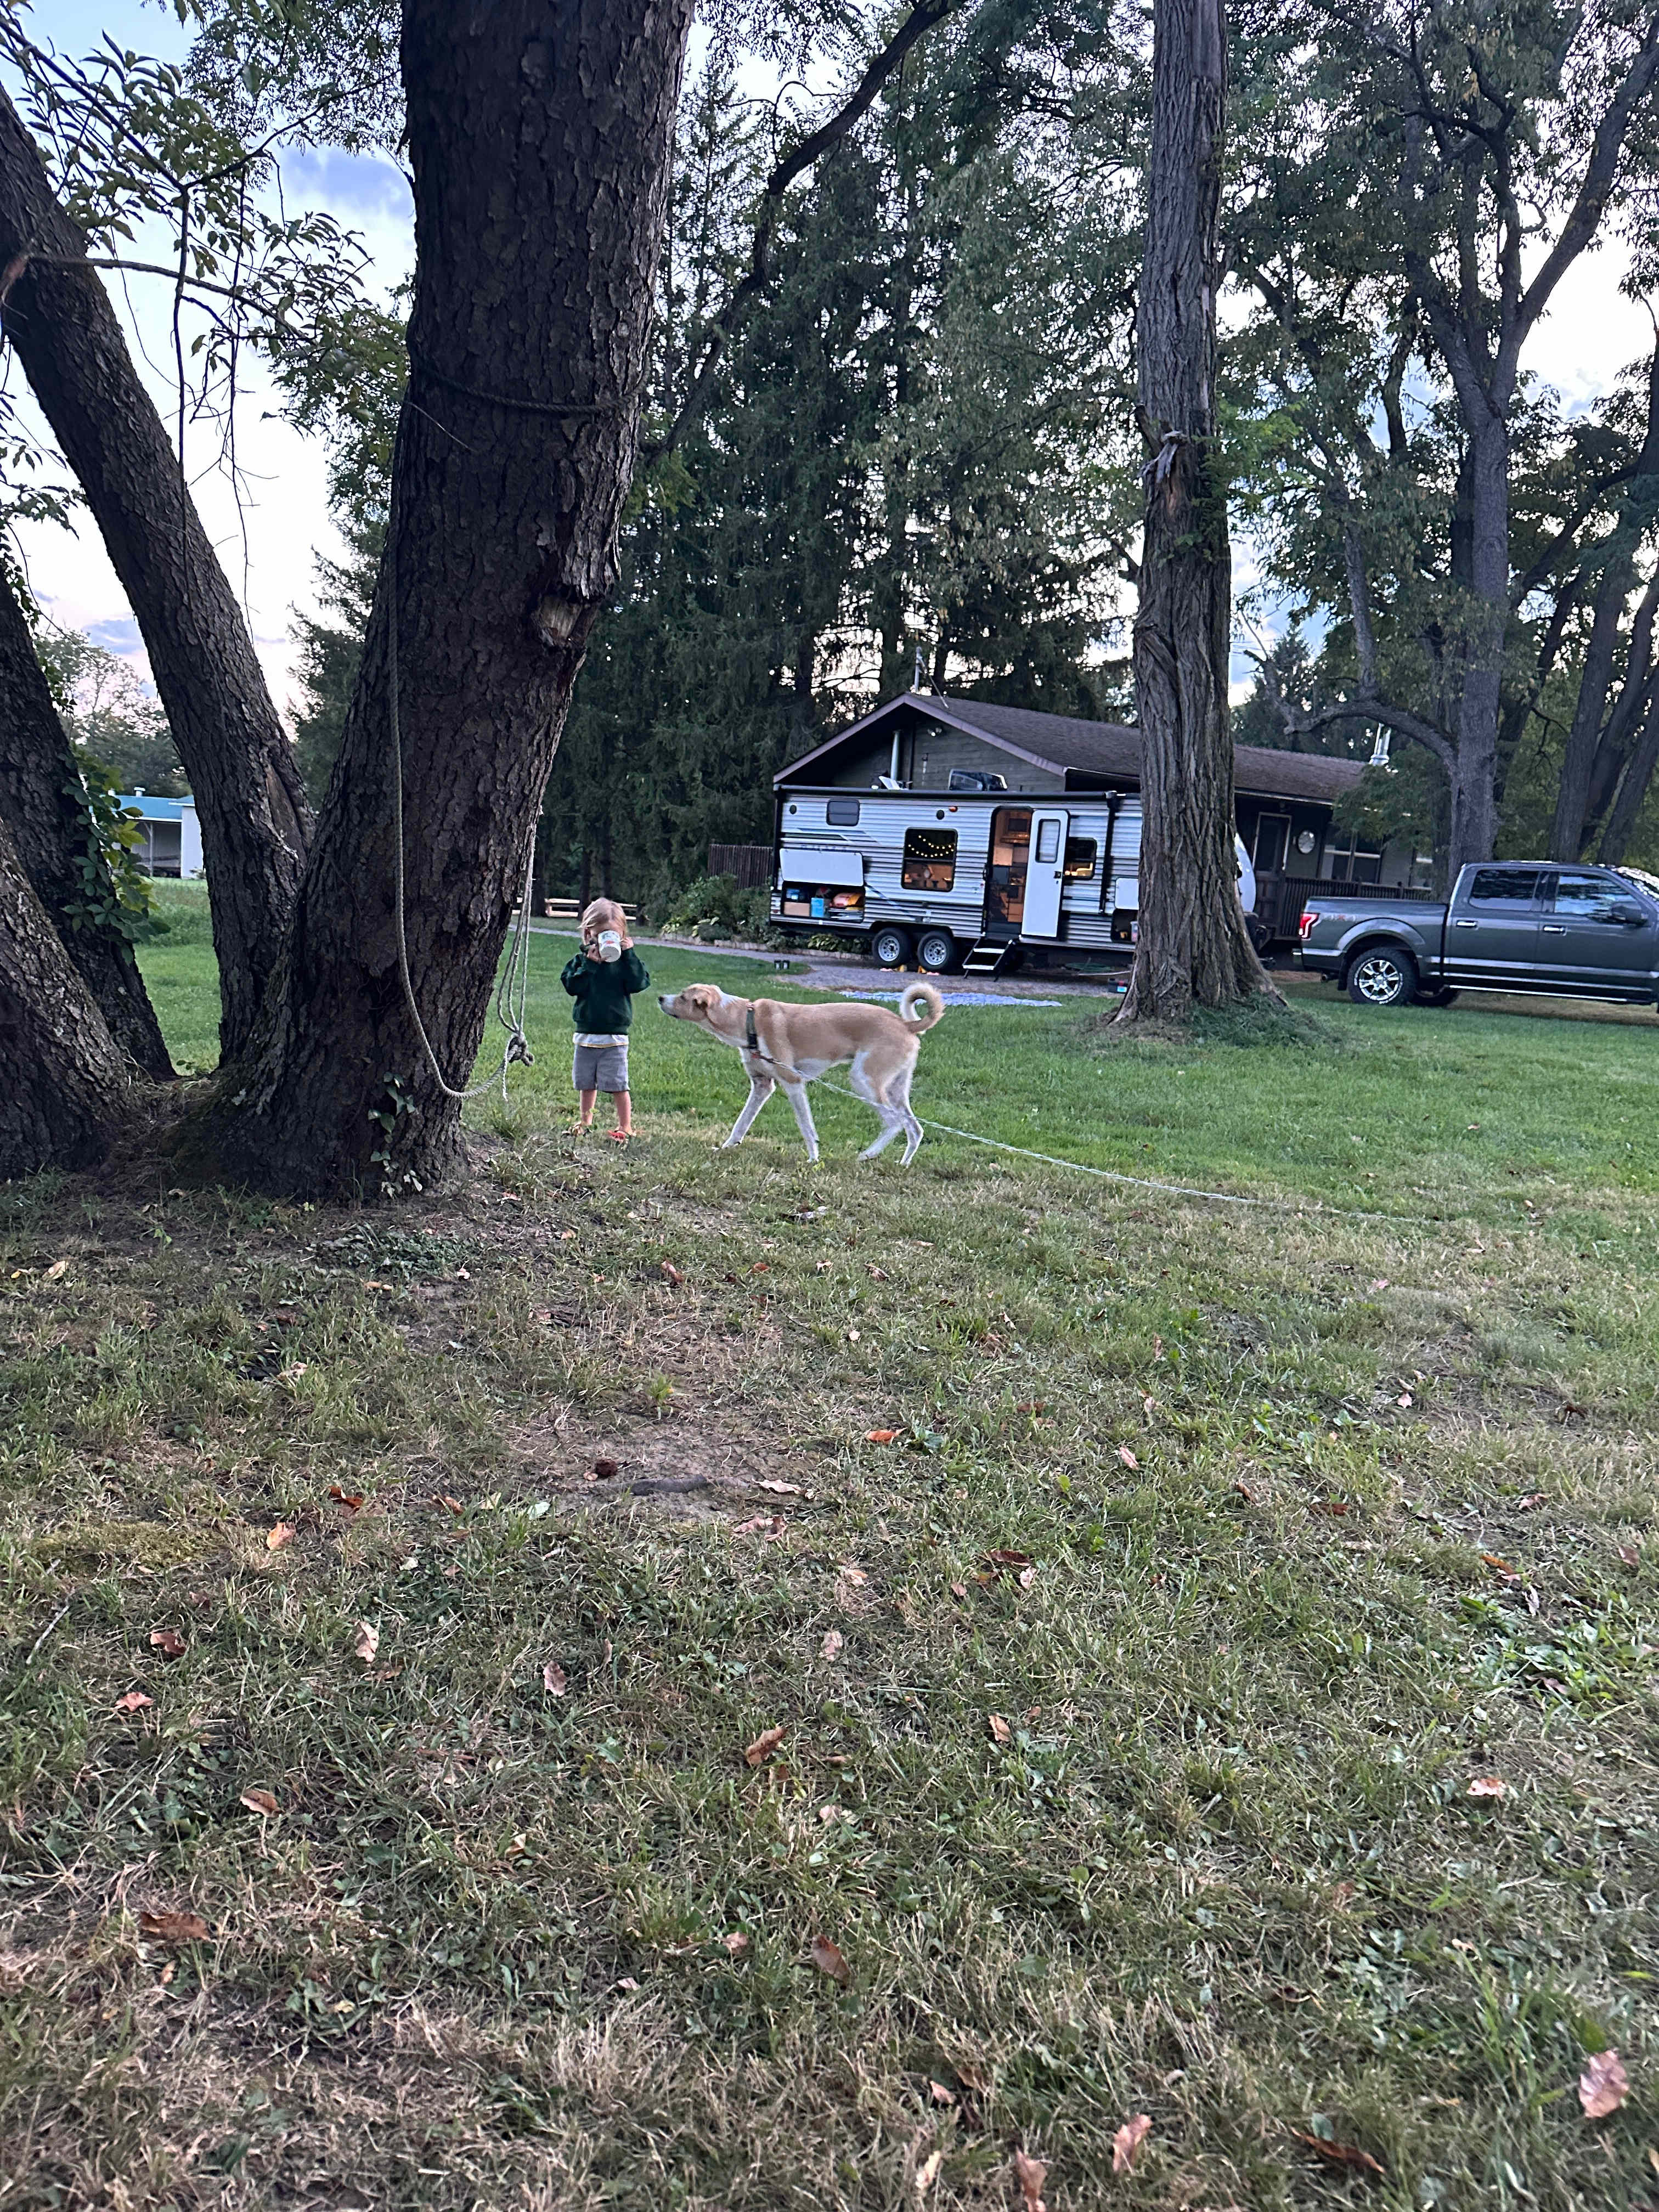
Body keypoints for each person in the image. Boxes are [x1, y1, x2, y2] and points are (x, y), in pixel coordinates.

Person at [561, 898, 650, 1141]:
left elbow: (639, 983)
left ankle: (625, 1126)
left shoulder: (624, 963)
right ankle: (586, 1121)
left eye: (613, 934)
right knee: (586, 1083)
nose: (606, 939)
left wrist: (629, 956)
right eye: (601, 934)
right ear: (589, 933)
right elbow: (572, 986)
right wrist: (590, 965)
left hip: (615, 1036)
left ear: (622, 934)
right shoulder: (581, 962)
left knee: (619, 1084)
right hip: (586, 1033)